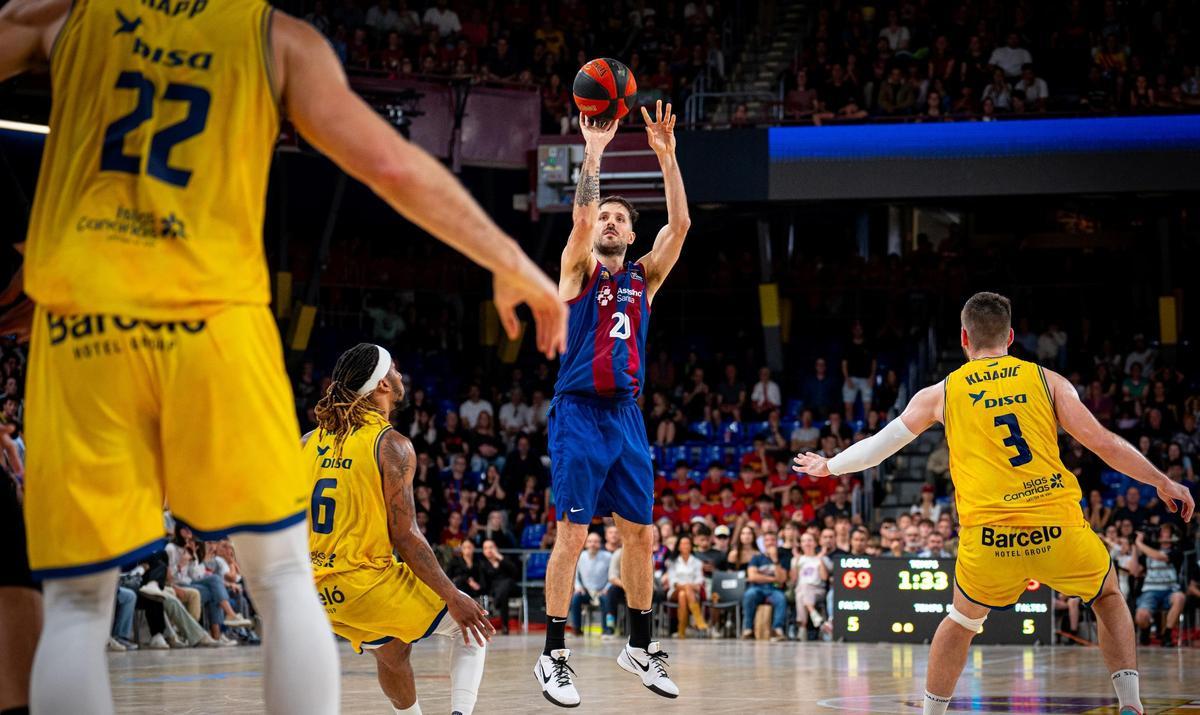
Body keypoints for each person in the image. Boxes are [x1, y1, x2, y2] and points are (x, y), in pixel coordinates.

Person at [0, 1, 567, 712]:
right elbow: (390, 164)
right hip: (214, 314)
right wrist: (508, 258)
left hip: (82, 314)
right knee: (280, 580)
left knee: (78, 606)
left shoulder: (63, 18)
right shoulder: (274, 36)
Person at [794, 292, 1195, 715]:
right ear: (1011, 337)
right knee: (1107, 596)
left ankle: (932, 713)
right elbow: (1102, 443)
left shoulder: (941, 392)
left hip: (989, 540)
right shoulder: (1047, 380)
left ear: (964, 338)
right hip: (1057, 530)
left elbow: (879, 448)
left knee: (961, 621)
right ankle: (1130, 704)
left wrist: (830, 465)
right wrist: (1163, 480)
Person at [536, 101, 689, 707]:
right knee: (571, 535)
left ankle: (640, 645)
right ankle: (553, 656)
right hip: (577, 413)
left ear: (629, 233)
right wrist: (593, 154)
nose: (609, 222)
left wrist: (667, 157)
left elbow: (678, 228)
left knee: (642, 534)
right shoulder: (577, 273)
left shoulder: (643, 279)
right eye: (604, 215)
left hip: (625, 416)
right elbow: (576, 226)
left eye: (619, 218)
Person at [303, 344, 494, 714]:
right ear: (382, 387)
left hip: (319, 594)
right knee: (472, 627)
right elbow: (404, 535)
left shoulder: (308, 442)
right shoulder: (391, 445)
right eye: (395, 370)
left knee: (392, 652)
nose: (401, 375)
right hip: (365, 584)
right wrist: (454, 595)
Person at [740, 531, 790, 641]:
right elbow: (752, 577)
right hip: (757, 588)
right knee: (749, 594)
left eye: (773, 540)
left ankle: (777, 629)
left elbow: (782, 580)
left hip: (775, 588)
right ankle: (748, 629)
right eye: (767, 540)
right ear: (763, 543)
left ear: (777, 543)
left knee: (781, 598)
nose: (770, 543)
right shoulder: (757, 558)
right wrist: (773, 579)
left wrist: (775, 560)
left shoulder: (783, 558)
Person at [664, 535, 708, 638]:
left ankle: (681, 629)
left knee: (683, 595)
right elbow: (673, 582)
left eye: (687, 543)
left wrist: (689, 587)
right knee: (685, 589)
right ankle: (698, 619)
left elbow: (699, 582)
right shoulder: (672, 562)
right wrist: (688, 586)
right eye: (682, 544)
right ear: (678, 547)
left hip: (692, 593)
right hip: (674, 591)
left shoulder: (697, 562)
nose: (685, 546)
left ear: (691, 546)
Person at [479, 539, 518, 635]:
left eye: (491, 547)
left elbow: (515, 572)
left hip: (511, 588)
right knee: (503, 593)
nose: (489, 550)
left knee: (507, 582)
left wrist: (500, 557)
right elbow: (484, 583)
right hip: (495, 590)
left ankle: (496, 602)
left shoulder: (505, 559)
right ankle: (505, 627)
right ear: (483, 551)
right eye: (486, 548)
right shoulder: (483, 564)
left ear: (496, 548)